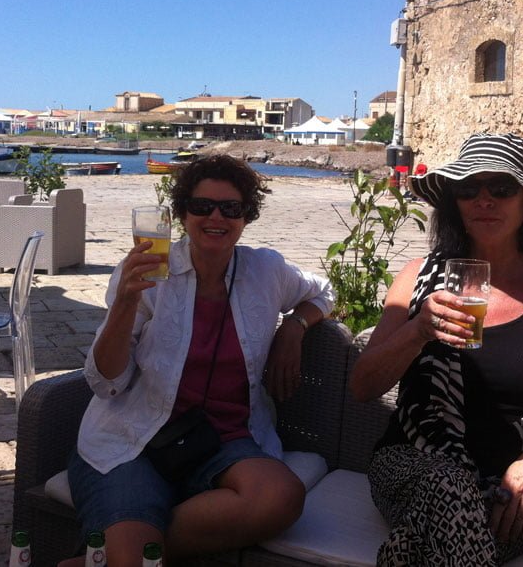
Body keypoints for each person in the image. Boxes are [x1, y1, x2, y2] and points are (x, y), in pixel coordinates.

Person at [350, 133, 523, 566]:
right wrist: (417, 330)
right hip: (414, 464)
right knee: (448, 488)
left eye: (501, 188)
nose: (484, 200)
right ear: (454, 204)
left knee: (423, 544)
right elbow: (363, 386)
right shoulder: (417, 278)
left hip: (511, 489)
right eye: (468, 189)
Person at [63, 155, 334, 566]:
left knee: (279, 497)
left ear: (246, 216)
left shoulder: (266, 271)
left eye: (231, 208)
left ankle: (122, 554)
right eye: (202, 206)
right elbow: (106, 382)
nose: (216, 217)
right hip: (135, 436)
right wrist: (125, 302)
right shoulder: (149, 274)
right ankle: (129, 550)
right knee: (132, 553)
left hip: (225, 438)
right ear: (182, 213)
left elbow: (324, 291)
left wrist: (293, 327)